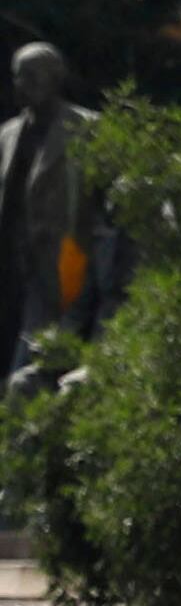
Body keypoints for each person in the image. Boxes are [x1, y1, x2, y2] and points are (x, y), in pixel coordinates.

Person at [0, 43, 109, 391]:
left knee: (35, 362)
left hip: (60, 266)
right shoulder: (7, 135)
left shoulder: (87, 129)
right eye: (18, 75)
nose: (22, 83)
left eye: (31, 74)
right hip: (10, 268)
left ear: (56, 77)